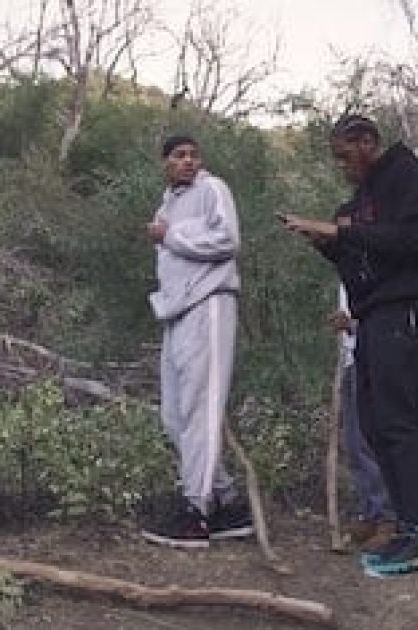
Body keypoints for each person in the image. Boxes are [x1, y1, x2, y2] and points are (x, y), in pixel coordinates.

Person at [281, 114, 418, 576]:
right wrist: (324, 242)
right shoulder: (361, 197)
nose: (342, 166)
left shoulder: (405, 174)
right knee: (373, 422)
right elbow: (359, 256)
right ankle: (403, 526)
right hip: (370, 318)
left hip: (404, 310)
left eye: (345, 156)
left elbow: (410, 242)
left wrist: (340, 232)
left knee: (397, 418)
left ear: (367, 142)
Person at [140, 135, 253, 549]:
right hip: (176, 313)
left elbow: (228, 240)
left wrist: (170, 237)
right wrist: (166, 233)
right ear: (165, 163)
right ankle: (227, 503)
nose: (188, 162)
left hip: (210, 305)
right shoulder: (166, 205)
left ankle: (197, 513)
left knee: (201, 409)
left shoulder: (212, 189)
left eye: (192, 155)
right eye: (178, 156)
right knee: (173, 415)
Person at [328, 285, 396, 552]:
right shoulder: (348, 266)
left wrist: (354, 325)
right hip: (350, 356)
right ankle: (369, 510)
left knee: (371, 439)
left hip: (372, 355)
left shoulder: (372, 261)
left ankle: (386, 516)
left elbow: (383, 317)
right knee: (355, 442)